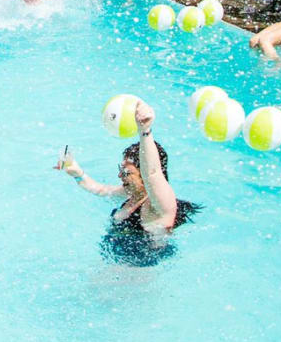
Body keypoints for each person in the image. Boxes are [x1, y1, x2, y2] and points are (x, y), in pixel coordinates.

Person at [57, 101, 197, 266]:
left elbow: (152, 173)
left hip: (138, 273)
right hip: (118, 265)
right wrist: (77, 173)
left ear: (143, 177)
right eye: (121, 170)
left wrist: (145, 131)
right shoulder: (132, 194)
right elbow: (101, 190)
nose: (120, 176)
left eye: (127, 173)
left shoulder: (157, 205)